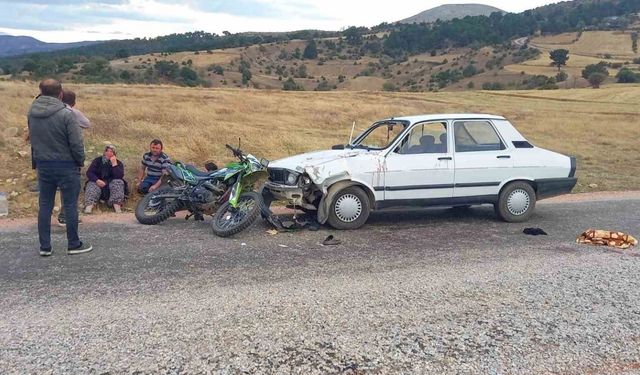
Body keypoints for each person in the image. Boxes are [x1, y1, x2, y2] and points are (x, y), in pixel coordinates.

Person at [28, 79, 92, 256]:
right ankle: (73, 244)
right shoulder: (66, 114)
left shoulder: (32, 112)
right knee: (70, 205)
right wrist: (80, 161)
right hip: (66, 165)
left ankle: (45, 247)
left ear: (41, 91)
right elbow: (76, 143)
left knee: (45, 205)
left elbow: (33, 140)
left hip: (43, 164)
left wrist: (36, 162)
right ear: (61, 94)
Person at [56, 89, 91, 226]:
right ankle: (67, 216)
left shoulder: (53, 112)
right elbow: (87, 124)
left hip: (52, 155)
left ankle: (46, 218)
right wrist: (80, 159)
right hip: (69, 157)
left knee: (49, 189)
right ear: (74, 102)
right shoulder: (72, 112)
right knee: (70, 188)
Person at [84, 145, 127, 214]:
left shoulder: (118, 163)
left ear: (114, 154)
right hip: (98, 182)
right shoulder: (97, 161)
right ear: (104, 152)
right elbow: (89, 172)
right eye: (107, 151)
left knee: (118, 182)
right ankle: (89, 206)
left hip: (111, 184)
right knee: (91, 184)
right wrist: (97, 180)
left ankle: (117, 207)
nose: (109, 153)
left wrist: (114, 164)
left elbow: (119, 176)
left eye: (111, 152)